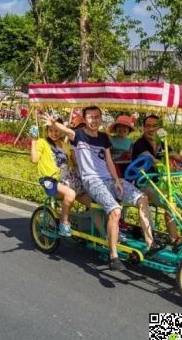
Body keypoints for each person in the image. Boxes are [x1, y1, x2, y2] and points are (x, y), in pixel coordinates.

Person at [42, 106, 159, 272]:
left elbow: (109, 161)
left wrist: (117, 180)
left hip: (109, 179)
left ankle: (150, 242)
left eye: (97, 117)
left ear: (100, 119)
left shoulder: (104, 137)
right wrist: (54, 123)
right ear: (85, 119)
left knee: (142, 198)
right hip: (92, 181)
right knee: (115, 210)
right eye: (90, 117)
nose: (94, 120)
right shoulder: (79, 135)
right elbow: (66, 131)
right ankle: (114, 256)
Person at [29, 118, 91, 237]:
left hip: (67, 179)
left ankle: (101, 234)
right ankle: (64, 223)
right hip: (50, 180)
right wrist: (33, 141)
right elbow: (34, 160)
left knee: (93, 202)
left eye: (56, 130)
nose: (54, 133)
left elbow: (72, 165)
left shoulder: (65, 145)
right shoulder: (42, 142)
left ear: (61, 131)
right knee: (70, 194)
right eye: (51, 130)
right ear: (47, 131)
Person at [131, 115, 182, 247]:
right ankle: (174, 240)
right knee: (170, 204)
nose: (151, 129)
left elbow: (175, 155)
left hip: (160, 183)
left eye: (154, 126)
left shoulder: (162, 143)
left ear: (159, 128)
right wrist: (168, 167)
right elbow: (151, 160)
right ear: (143, 128)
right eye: (148, 126)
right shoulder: (139, 144)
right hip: (143, 184)